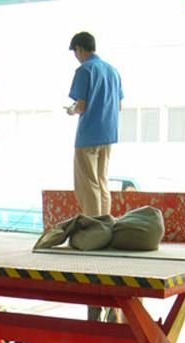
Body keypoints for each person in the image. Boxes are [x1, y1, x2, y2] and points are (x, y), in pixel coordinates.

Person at [67, 31, 124, 218]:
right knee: (102, 182)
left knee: (88, 185)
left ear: (79, 49)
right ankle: (105, 224)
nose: (76, 57)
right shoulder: (113, 71)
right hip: (108, 134)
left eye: (75, 52)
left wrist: (71, 109)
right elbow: (119, 106)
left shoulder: (85, 70)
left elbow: (81, 106)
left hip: (88, 136)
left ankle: (93, 227)